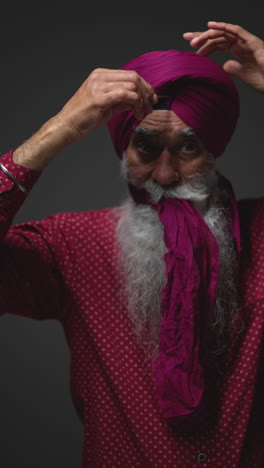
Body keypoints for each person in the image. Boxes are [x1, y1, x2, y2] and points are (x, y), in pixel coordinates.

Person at [0, 21, 264, 467]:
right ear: (123, 147)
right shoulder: (71, 245)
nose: (163, 176)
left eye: (188, 148)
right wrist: (60, 128)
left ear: (214, 150)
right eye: (145, 147)